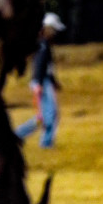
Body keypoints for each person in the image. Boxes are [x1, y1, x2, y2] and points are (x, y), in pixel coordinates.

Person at [15, 12, 66, 148]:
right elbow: (38, 65)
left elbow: (48, 66)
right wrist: (37, 83)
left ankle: (17, 135)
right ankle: (43, 142)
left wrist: (54, 81)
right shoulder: (42, 45)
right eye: (54, 30)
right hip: (42, 82)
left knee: (45, 115)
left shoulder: (45, 45)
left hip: (45, 81)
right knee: (48, 115)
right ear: (48, 28)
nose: (56, 33)